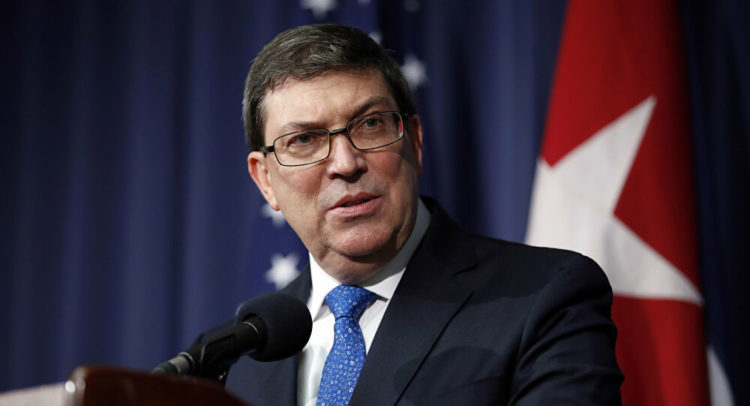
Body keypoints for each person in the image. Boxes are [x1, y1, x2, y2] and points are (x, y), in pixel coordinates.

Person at [216, 24, 623, 405]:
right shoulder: (235, 361)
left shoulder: (544, 297)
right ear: (265, 180)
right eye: (304, 139)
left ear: (414, 141)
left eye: (371, 124)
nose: (345, 163)